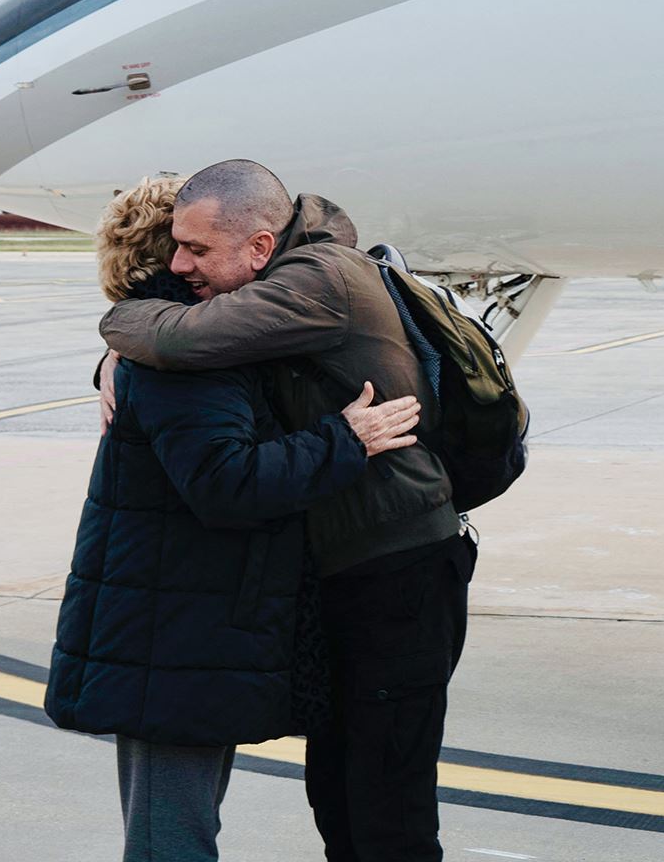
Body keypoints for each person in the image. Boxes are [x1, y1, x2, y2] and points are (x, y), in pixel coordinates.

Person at [97, 160, 474, 862]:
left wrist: (119, 328)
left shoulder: (319, 279)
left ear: (262, 246)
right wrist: (116, 361)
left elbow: (181, 343)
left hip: (400, 574)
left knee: (385, 809)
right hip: (348, 571)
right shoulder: (269, 279)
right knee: (340, 795)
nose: (184, 264)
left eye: (199, 252)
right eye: (176, 249)